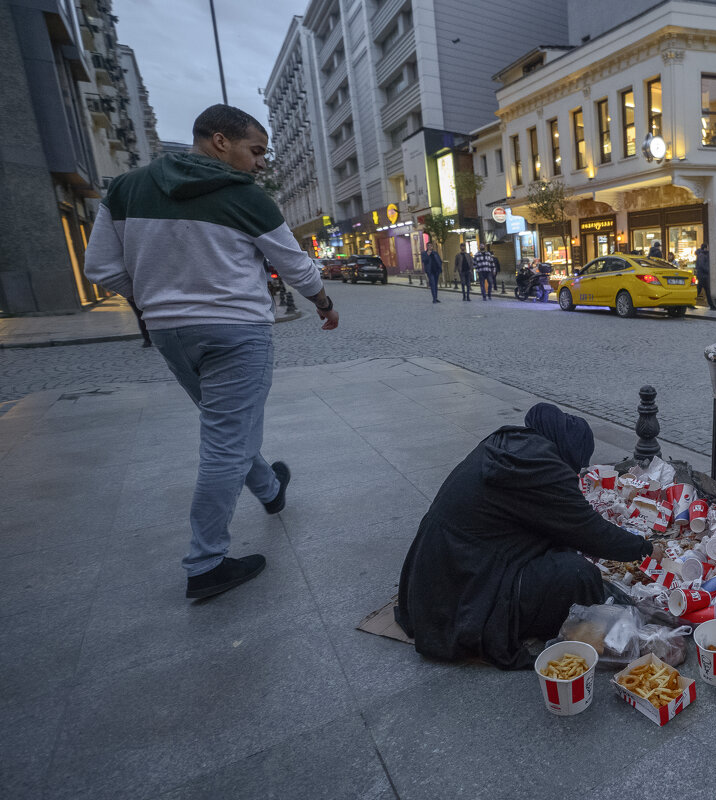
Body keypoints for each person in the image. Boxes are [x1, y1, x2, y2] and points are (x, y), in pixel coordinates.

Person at [83, 104, 340, 600]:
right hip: (236, 331)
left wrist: (153, 300)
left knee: (227, 426)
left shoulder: (126, 188)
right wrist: (324, 303)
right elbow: (297, 266)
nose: (262, 163)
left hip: (169, 333)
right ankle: (206, 563)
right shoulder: (244, 195)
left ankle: (269, 489)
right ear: (220, 141)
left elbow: (101, 267)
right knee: (225, 441)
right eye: (256, 150)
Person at [394, 403, 664, 669]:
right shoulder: (543, 467)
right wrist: (644, 548)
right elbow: (590, 532)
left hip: (433, 579)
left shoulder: (511, 441)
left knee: (560, 549)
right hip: (464, 593)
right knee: (578, 576)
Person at [696, 242, 716, 309]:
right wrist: (708, 270)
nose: (708, 249)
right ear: (705, 248)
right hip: (703, 276)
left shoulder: (702, 254)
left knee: (699, 290)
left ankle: (690, 302)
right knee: (706, 291)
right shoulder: (702, 255)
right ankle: (712, 306)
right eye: (707, 247)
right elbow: (702, 265)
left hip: (702, 275)